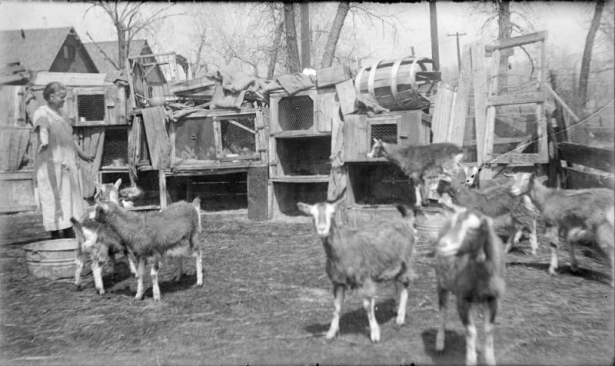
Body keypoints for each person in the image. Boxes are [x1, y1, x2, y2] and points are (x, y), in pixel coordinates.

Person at [33, 82, 94, 239]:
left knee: (70, 198)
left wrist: (82, 154)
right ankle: (55, 234)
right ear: (51, 97)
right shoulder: (42, 112)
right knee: (54, 198)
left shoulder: (63, 114)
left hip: (67, 163)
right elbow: (43, 128)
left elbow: (70, 138)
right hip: (50, 164)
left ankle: (68, 230)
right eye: (61, 97)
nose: (64, 100)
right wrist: (44, 142)